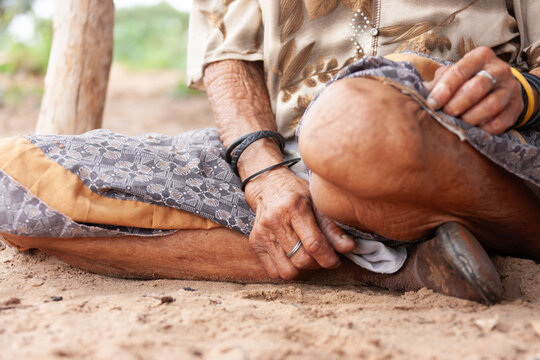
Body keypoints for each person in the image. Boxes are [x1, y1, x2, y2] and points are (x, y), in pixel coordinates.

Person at [0, 0, 539, 303]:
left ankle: (381, 218)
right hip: (285, 152)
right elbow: (226, 58)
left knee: (354, 126)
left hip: (466, 139)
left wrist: (522, 92)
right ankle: (403, 267)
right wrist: (265, 175)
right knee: (15, 179)